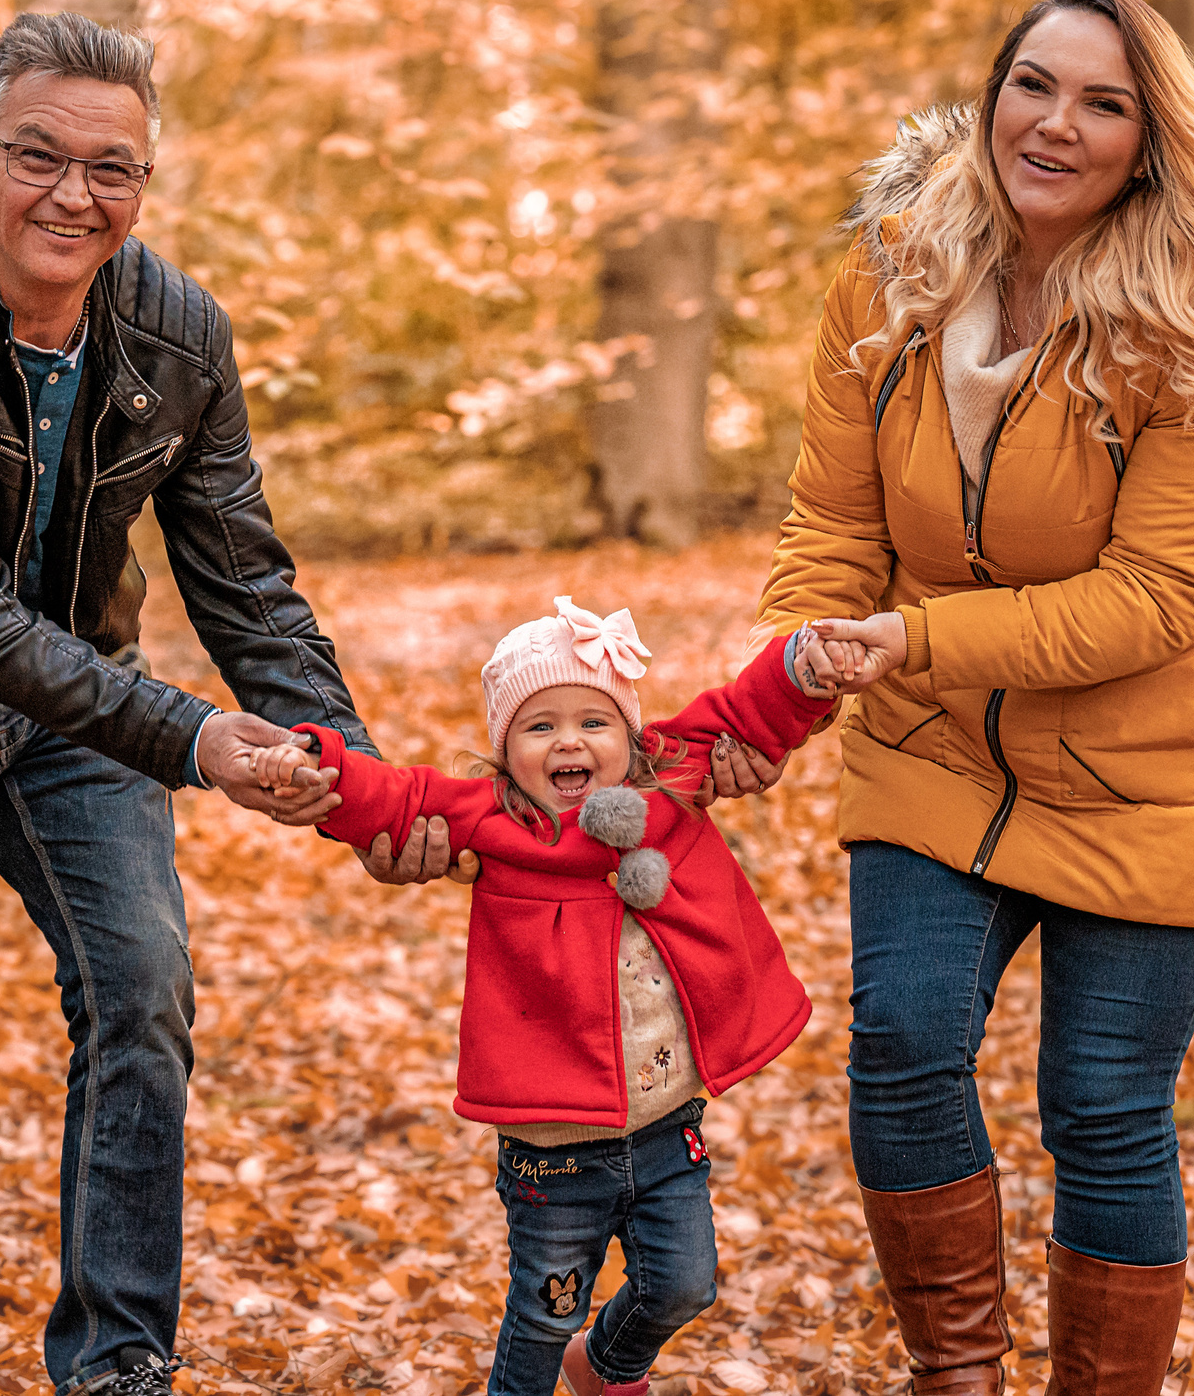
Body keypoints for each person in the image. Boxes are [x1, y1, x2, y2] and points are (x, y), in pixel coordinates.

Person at [0, 11, 447, 1396]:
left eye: (111, 167)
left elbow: (243, 576)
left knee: (144, 992)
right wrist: (194, 739)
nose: (74, 193)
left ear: (145, 182)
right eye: (39, 154)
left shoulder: (178, 333)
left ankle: (119, 1363)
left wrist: (359, 781)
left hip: (70, 701)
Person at [752, 0, 1194, 1396]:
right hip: (935, 748)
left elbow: (1160, 599)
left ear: (1150, 142)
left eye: (1103, 102)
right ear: (992, 91)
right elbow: (832, 516)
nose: (1055, 123)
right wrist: (808, 642)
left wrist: (920, 640)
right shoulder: (887, 278)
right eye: (1033, 83)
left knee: (1106, 1105)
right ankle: (959, 1377)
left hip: (1159, 766)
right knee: (900, 1044)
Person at [238, 598, 877, 1396]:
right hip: (553, 1146)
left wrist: (803, 667)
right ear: (507, 753)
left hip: (664, 1125)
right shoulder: (494, 822)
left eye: (593, 722)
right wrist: (314, 762)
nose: (569, 741)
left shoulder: (671, 779)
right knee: (545, 1311)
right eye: (539, 727)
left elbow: (743, 712)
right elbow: (394, 797)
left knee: (685, 1284)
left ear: (631, 738)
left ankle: (605, 1365)